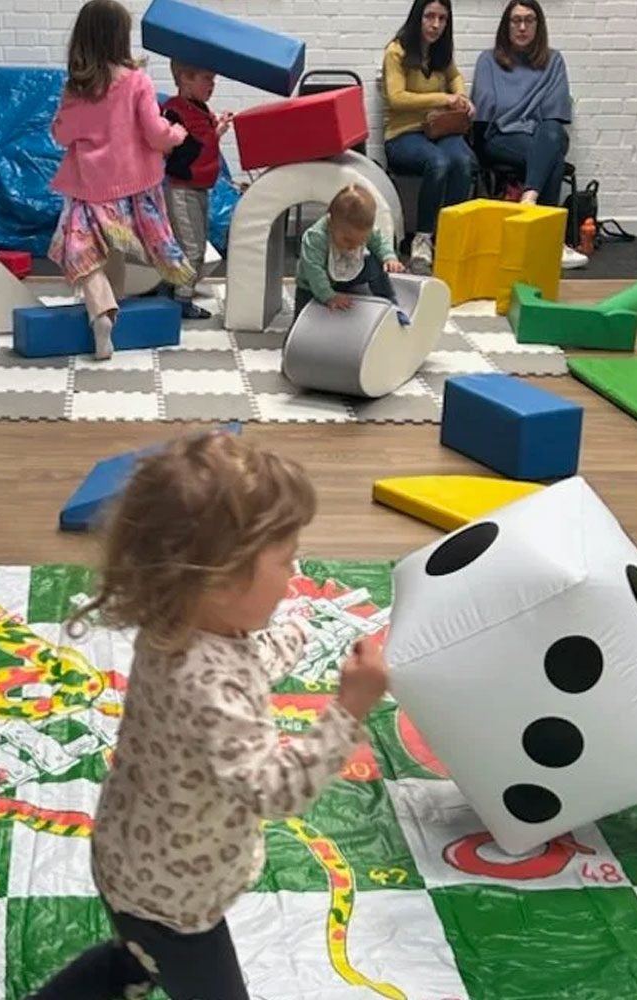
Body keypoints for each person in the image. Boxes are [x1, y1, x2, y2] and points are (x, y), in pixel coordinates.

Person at [26, 432, 390, 1000]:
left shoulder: (175, 622)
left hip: (134, 861)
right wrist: (350, 708)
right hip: (174, 896)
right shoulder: (210, 688)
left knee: (138, 960)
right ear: (220, 579)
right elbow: (276, 791)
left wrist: (295, 635)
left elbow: (240, 660)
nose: (294, 574)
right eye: (286, 561)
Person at [48, 0, 195, 360]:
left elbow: (63, 136)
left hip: (91, 188)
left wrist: (59, 124)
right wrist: (177, 133)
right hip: (134, 189)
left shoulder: (77, 88)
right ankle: (116, 315)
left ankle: (102, 312)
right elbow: (155, 133)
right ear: (120, 39)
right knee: (115, 247)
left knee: (85, 257)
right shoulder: (137, 82)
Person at [472, 0, 587, 268]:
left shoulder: (554, 60)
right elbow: (485, 115)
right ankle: (551, 242)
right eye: (516, 21)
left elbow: (555, 112)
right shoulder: (488, 60)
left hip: (544, 136)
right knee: (553, 160)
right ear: (506, 26)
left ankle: (529, 199)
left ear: (538, 25)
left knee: (551, 132)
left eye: (529, 20)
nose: (522, 27)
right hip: (501, 137)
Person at [381, 0, 478, 274]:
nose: (436, 25)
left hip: (439, 130)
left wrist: (462, 98)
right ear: (417, 17)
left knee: (462, 161)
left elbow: (455, 75)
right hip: (403, 135)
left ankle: (450, 238)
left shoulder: (440, 52)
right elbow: (396, 98)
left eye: (442, 19)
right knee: (439, 163)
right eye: (430, 17)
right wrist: (444, 97)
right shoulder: (396, 51)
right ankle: (422, 240)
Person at [160, 61, 231, 320]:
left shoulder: (199, 109)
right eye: (206, 78)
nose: (212, 84)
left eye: (213, 79)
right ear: (184, 79)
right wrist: (212, 133)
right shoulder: (174, 111)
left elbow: (203, 146)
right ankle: (181, 300)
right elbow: (183, 148)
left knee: (195, 245)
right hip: (181, 190)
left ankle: (172, 288)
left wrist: (217, 131)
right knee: (192, 249)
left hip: (199, 187)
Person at [294, 183, 406, 321]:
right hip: (311, 285)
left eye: (360, 242)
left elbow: (380, 243)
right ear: (332, 224)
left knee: (374, 263)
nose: (353, 247)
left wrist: (389, 258)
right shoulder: (316, 238)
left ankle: (389, 301)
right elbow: (314, 271)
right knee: (302, 320)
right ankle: (300, 326)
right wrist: (329, 296)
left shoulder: (365, 232)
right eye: (347, 240)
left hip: (346, 275)